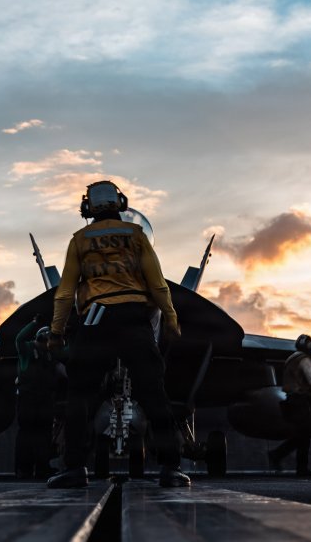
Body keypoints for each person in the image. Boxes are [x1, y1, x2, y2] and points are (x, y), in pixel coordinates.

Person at [46, 180, 189, 489]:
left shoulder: (80, 240)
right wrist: (171, 318)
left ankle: (73, 469)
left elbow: (65, 292)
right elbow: (158, 283)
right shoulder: (136, 236)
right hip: (135, 319)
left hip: (95, 319)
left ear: (87, 208)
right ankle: (170, 469)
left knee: (79, 395)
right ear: (120, 203)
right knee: (153, 392)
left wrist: (57, 332)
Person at [267, 334, 311, 477]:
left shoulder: (291, 358)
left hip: (290, 400)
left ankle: (279, 456)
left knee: (301, 435)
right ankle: (294, 465)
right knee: (304, 436)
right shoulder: (303, 359)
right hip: (300, 401)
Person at [14, 316, 64, 478]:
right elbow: (19, 338)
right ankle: (24, 470)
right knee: (27, 436)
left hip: (45, 401)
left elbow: (68, 351)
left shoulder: (51, 354)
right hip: (28, 401)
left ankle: (42, 468)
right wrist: (34, 322)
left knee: (44, 436)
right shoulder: (26, 351)